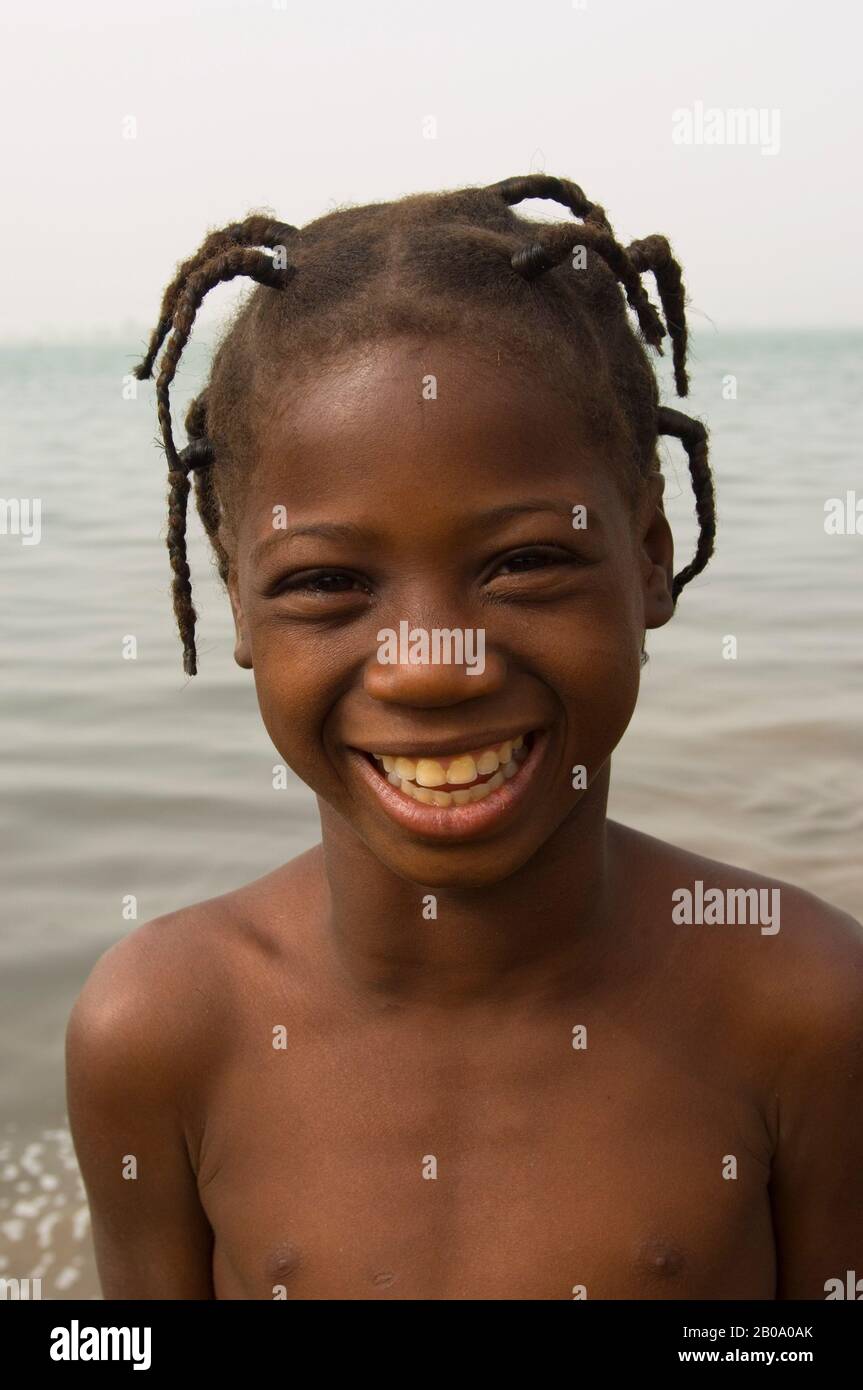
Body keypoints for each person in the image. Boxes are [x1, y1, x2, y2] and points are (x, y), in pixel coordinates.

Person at [66, 174, 863, 1299]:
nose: (431, 666)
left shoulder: (804, 1004)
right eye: (328, 581)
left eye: (522, 562)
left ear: (646, 551)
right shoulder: (156, 1031)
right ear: (236, 601)